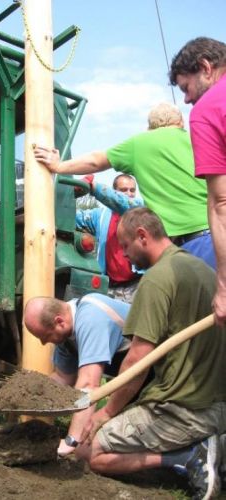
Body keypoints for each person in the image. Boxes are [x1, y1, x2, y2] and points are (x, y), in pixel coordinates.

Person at [74, 207, 226, 500]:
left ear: (142, 236)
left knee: (88, 453)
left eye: (126, 246)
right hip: (218, 405)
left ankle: (188, 457)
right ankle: (213, 445)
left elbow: (137, 362)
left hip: (183, 409)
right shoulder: (204, 272)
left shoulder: (157, 278)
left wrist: (106, 413)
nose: (125, 256)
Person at [33, 102, 215, 270]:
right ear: (181, 121)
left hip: (186, 246)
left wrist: (59, 166)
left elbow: (96, 161)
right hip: (217, 232)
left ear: (150, 127)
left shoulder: (140, 144)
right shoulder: (199, 140)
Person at [24, 293, 130, 457]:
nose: (44, 343)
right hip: (131, 380)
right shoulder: (67, 329)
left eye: (45, 337)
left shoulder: (91, 318)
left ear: (59, 321)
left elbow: (89, 386)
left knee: (87, 450)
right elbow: (63, 378)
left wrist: (71, 441)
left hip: (162, 375)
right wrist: (28, 397)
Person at [169, 37, 226, 326]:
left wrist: (224, 288)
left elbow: (221, 202)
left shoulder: (208, 110)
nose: (187, 100)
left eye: (186, 88)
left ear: (206, 68)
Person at [76, 173, 143, 303]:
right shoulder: (100, 216)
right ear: (114, 191)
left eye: (132, 190)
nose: (129, 193)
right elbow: (74, 217)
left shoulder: (139, 210)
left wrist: (93, 186)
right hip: (109, 286)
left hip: (137, 283)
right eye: (123, 190)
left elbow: (123, 203)